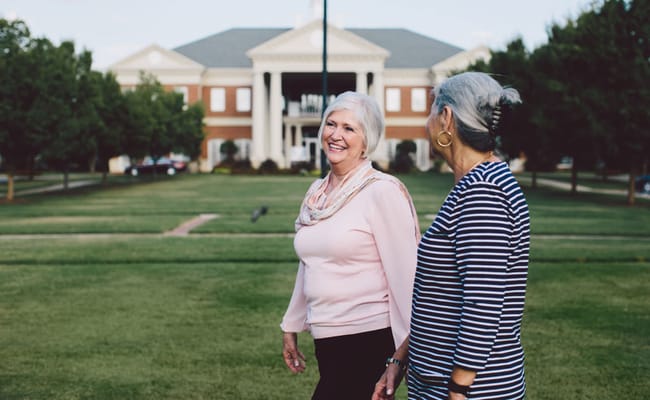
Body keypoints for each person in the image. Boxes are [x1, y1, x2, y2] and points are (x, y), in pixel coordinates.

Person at [373, 72, 530, 400]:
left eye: (432, 110)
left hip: (471, 390)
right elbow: (442, 300)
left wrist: (458, 390)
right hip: (435, 381)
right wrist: (400, 359)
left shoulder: (484, 192)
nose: (427, 120)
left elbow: (482, 304)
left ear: (446, 119)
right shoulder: (475, 185)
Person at [281, 91, 421, 400]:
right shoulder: (317, 192)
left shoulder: (382, 191)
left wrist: (400, 357)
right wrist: (291, 324)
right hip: (327, 338)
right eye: (331, 124)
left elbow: (408, 278)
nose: (336, 135)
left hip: (368, 339)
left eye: (349, 128)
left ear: (366, 139)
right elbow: (310, 263)